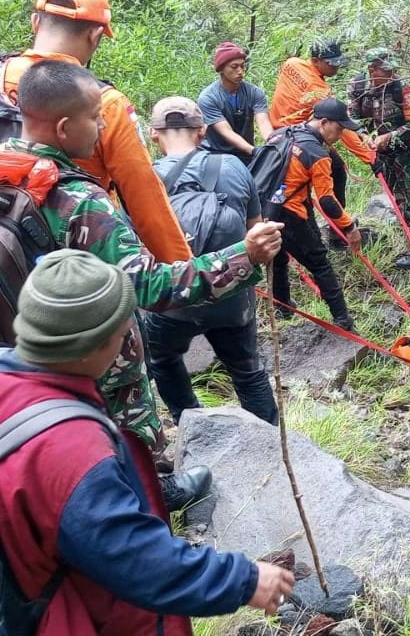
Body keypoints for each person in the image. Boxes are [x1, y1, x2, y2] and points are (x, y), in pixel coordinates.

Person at [0, 60, 283, 513]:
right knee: (123, 442)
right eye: (96, 118)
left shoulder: (7, 172)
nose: (100, 128)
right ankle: (153, 496)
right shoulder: (79, 199)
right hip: (94, 358)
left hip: (23, 354)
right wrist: (243, 257)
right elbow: (148, 286)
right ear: (66, 126)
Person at [0, 249, 294, 635]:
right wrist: (244, 579)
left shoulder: (13, 381)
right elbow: (137, 560)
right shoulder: (70, 451)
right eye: (124, 332)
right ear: (95, 344)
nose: (129, 339)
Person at [0, 0, 192, 263]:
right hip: (76, 269)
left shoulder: (4, 75)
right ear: (95, 35)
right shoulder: (106, 104)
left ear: (35, 23)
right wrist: (183, 271)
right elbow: (147, 204)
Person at [144, 96, 277, 425]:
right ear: (202, 132)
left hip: (171, 300)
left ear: (153, 134)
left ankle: (191, 426)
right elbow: (255, 235)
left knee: (163, 360)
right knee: (248, 372)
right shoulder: (234, 167)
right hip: (232, 296)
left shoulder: (142, 179)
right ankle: (269, 443)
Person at [268, 40, 376, 248]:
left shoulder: (291, 64)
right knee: (333, 172)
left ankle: (327, 229)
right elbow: (340, 129)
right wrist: (369, 157)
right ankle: (340, 230)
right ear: (316, 61)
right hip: (299, 138)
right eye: (331, 63)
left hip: (278, 134)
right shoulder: (318, 89)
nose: (336, 67)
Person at [269, 98, 364, 332]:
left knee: (279, 257)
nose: (340, 134)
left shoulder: (281, 133)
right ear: (324, 122)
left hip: (264, 208)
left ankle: (282, 307)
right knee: (320, 263)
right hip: (290, 213)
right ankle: (343, 321)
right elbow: (328, 202)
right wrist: (349, 227)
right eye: (339, 128)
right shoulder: (318, 154)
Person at [348, 47, 410, 268]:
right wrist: (364, 136)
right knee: (396, 200)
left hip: (405, 152)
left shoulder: (402, 88)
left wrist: (391, 136)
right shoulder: (359, 85)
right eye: (385, 70)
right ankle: (409, 245)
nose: (391, 74)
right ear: (372, 70)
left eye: (392, 69)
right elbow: (352, 116)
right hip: (379, 156)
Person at [196, 42, 273, 161]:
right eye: (234, 67)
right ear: (221, 69)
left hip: (246, 155)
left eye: (242, 66)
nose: (240, 71)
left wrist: (273, 143)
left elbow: (263, 122)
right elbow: (226, 131)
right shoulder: (208, 98)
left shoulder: (255, 92)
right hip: (216, 156)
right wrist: (253, 150)